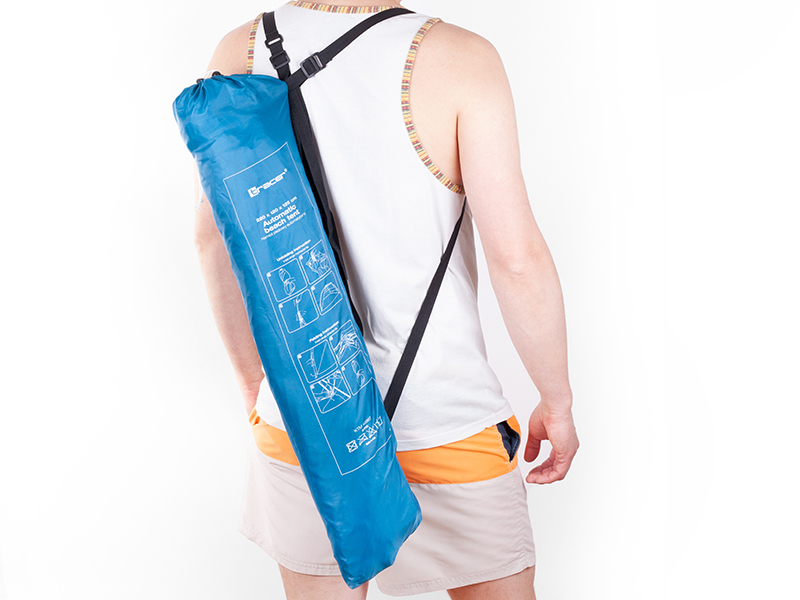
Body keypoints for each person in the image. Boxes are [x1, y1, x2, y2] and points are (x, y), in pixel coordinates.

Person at [191, 1, 579, 598]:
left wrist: (253, 382)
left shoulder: (238, 49)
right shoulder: (460, 58)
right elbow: (517, 259)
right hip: (447, 423)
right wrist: (557, 401)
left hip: (309, 423)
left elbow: (215, 239)